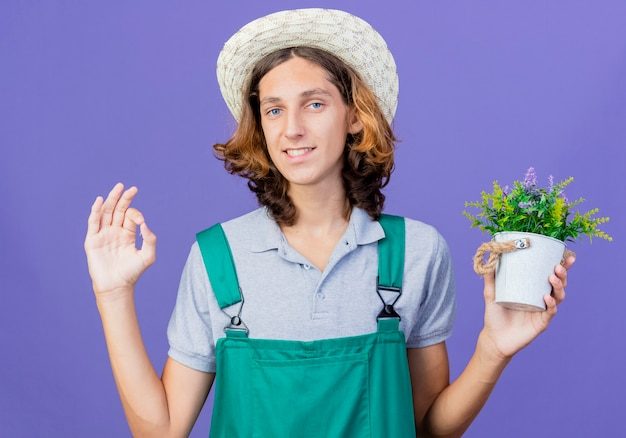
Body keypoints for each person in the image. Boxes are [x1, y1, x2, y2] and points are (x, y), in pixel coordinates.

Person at [83, 8, 575, 438]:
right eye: (274, 109)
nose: (292, 128)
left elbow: (429, 428)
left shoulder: (415, 253)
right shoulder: (218, 255)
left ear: (355, 117)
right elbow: (160, 430)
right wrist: (112, 295)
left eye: (314, 104)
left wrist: (493, 350)